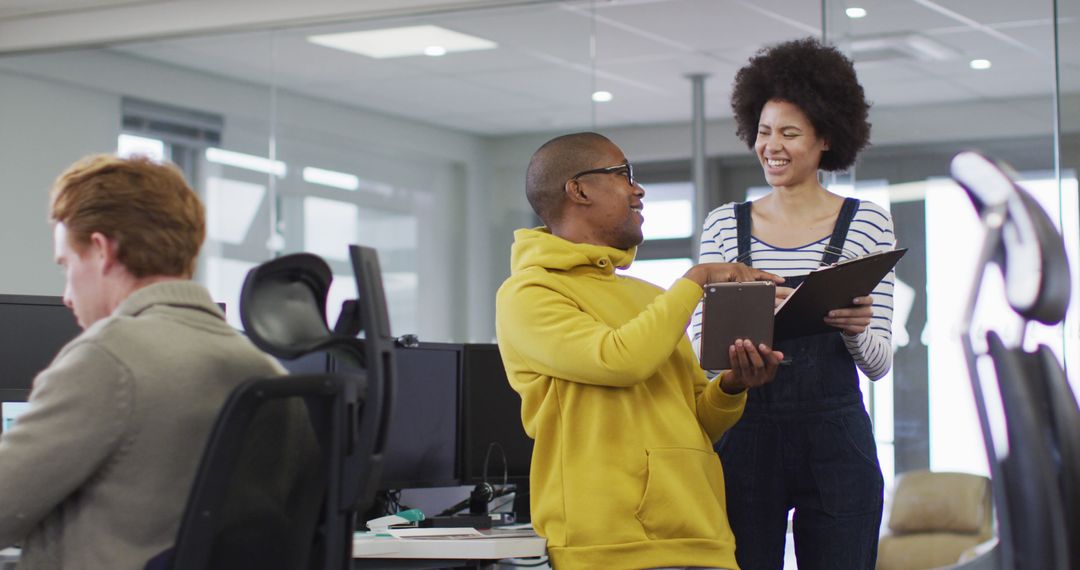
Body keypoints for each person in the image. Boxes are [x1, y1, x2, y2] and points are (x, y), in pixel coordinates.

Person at [496, 131, 786, 570]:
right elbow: (619, 360)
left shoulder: (651, 297)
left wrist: (732, 385)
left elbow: (698, 422)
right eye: (624, 174)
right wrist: (696, 280)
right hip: (607, 549)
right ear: (578, 189)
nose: (639, 189)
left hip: (702, 535)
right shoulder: (529, 293)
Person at [0, 154, 288, 569]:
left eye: (67, 265)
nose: (66, 295)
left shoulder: (107, 358)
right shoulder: (268, 373)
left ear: (102, 251)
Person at [690, 37, 896, 570]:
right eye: (763, 132)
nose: (771, 146)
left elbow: (879, 364)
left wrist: (854, 327)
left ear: (826, 138)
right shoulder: (724, 225)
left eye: (789, 133)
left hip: (837, 436)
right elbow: (699, 350)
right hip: (744, 432)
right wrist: (747, 321)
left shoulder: (867, 222)